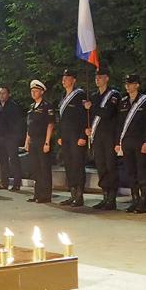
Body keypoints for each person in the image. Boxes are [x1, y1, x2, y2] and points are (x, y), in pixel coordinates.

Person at [115, 74, 146, 213]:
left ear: (137, 85)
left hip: (140, 141)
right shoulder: (123, 102)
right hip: (127, 142)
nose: (128, 86)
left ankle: (143, 202)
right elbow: (119, 124)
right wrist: (118, 142)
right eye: (126, 83)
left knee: (142, 172)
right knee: (131, 172)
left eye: (130, 83)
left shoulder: (145, 101)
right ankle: (134, 200)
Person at [84, 67, 121, 210]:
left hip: (110, 136)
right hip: (97, 136)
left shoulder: (114, 95)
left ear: (107, 78)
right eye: (96, 77)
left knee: (111, 166)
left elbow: (108, 113)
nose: (97, 80)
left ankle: (112, 198)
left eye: (100, 77)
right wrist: (88, 128)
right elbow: (92, 117)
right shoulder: (94, 96)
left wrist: (92, 107)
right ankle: (105, 196)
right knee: (101, 167)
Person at [57, 69, 88, 207]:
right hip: (66, 136)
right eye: (63, 78)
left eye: (67, 77)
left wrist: (82, 136)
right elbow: (60, 119)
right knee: (68, 165)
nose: (64, 80)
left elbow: (84, 117)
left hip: (76, 136)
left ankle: (79, 195)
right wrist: (59, 135)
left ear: (74, 80)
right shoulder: (63, 96)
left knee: (77, 165)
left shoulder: (79, 94)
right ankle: (72, 193)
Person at [25, 80, 55, 203]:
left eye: (36, 91)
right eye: (32, 91)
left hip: (42, 140)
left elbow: (50, 124)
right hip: (33, 140)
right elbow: (29, 126)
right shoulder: (32, 107)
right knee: (35, 168)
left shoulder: (47, 106)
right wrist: (27, 141)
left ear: (42, 92)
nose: (33, 93)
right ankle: (37, 193)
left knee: (44, 168)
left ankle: (46, 195)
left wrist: (47, 142)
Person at [0, 86, 25, 191]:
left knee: (14, 160)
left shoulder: (13, 106)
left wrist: (16, 136)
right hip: (0, 137)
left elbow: (17, 122)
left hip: (11, 137)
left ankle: (16, 183)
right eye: (0, 93)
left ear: (8, 94)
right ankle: (4, 182)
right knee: (3, 161)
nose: (1, 95)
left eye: (4, 93)